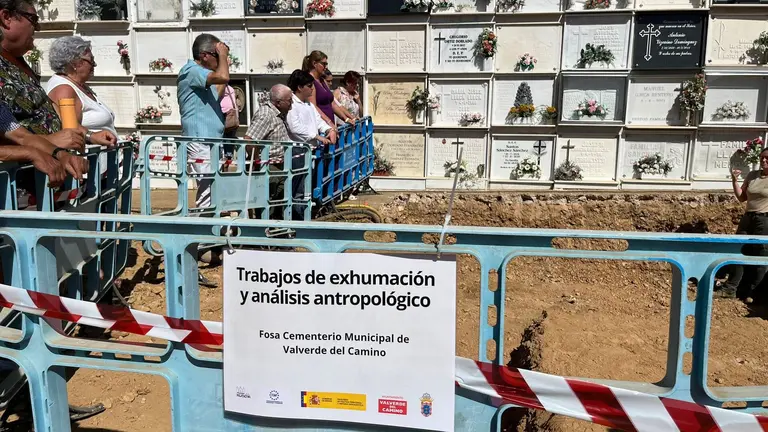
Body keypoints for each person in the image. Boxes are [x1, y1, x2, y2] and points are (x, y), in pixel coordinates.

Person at [177, 33, 230, 289]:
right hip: (199, 141)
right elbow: (223, 78)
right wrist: (225, 57)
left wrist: (223, 59)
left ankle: (205, 243)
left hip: (210, 142)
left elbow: (217, 91)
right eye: (216, 55)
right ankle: (193, 249)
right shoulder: (191, 71)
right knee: (205, 196)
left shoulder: (201, 77)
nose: (220, 60)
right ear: (205, 55)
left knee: (211, 195)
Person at [46, 36, 119, 175]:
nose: (94, 65)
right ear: (75, 63)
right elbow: (70, 128)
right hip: (88, 173)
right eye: (91, 60)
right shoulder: (64, 89)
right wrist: (91, 135)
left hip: (101, 169)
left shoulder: (79, 86)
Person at [286, 70, 336, 220]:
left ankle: (305, 217)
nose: (312, 89)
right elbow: (294, 127)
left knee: (307, 187)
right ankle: (297, 221)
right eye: (309, 86)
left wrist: (328, 129)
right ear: (299, 87)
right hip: (298, 151)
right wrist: (316, 136)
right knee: (298, 189)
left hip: (310, 150)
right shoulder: (291, 104)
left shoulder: (308, 104)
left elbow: (318, 120)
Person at [721, 154, 768, 303]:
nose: (763, 160)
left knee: (761, 254)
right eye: (762, 157)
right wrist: (735, 180)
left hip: (764, 219)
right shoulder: (753, 175)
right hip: (748, 217)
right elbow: (742, 197)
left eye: (767, 158)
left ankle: (754, 293)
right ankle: (730, 288)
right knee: (738, 250)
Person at [244, 84, 294, 219]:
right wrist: (257, 162)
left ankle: (277, 227)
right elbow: (250, 140)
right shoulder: (266, 115)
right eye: (289, 100)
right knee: (267, 203)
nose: (292, 104)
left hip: (280, 165)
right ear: (278, 102)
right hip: (269, 166)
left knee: (279, 203)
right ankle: (265, 228)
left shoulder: (279, 114)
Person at [301, 50, 354, 129]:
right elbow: (313, 107)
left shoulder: (322, 81)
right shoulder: (310, 81)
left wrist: (346, 119)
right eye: (324, 64)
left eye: (326, 64)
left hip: (330, 127)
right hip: (321, 128)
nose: (326, 67)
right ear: (314, 63)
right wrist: (328, 122)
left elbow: (333, 104)